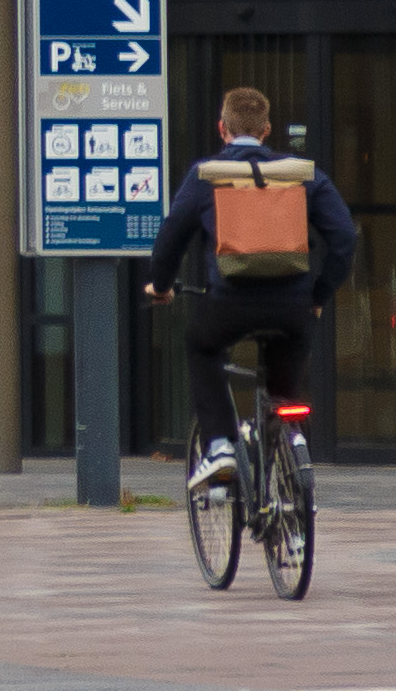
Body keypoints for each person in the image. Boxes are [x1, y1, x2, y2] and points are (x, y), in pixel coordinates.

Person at [145, 84, 360, 465]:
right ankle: (287, 463)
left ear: (222, 129)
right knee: (283, 392)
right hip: (291, 306)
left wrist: (161, 287)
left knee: (202, 346)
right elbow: (343, 238)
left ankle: (220, 446)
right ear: (266, 130)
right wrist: (317, 296)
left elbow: (170, 240)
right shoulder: (303, 175)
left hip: (229, 303)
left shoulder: (206, 176)